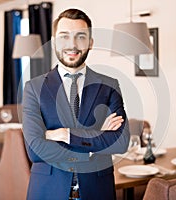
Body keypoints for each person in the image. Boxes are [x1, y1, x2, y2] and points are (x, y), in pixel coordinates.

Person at [22, 8, 130, 200]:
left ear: (90, 43)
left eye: (80, 37)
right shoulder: (34, 88)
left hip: (98, 191)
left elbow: (120, 142)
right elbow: (35, 150)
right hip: (48, 191)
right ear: (54, 42)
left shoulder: (109, 86)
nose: (72, 45)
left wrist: (65, 135)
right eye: (64, 36)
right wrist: (93, 144)